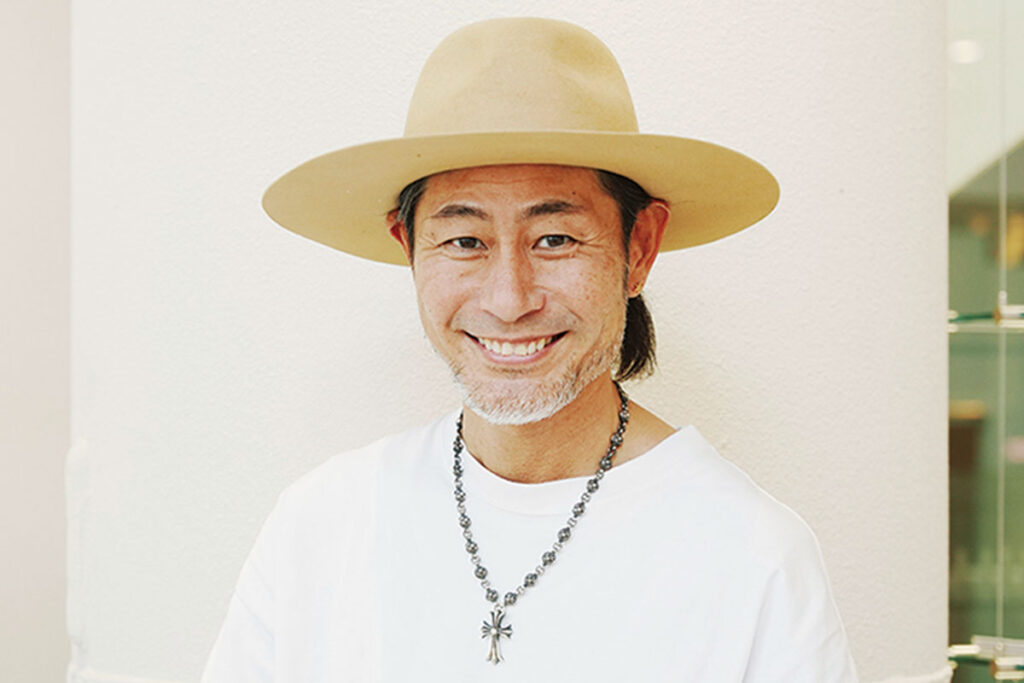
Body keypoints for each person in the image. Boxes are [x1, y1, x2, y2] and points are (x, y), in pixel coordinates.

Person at [202, 17, 859, 682]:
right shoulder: (319, 527)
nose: (509, 299)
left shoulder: (753, 558)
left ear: (639, 249)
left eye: (555, 240)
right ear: (408, 247)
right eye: (465, 241)